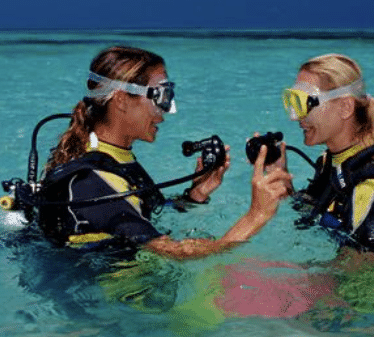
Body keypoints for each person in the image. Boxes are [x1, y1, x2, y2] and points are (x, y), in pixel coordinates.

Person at [36, 45, 292, 260]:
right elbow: (174, 253)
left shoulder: (114, 159)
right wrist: (256, 216)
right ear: (122, 100)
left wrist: (196, 194)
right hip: (114, 301)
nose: (167, 110)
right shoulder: (92, 182)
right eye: (161, 96)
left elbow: (136, 212)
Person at [275, 53, 374, 254]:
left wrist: (277, 270)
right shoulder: (331, 163)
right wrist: (280, 176)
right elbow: (311, 210)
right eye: (292, 101)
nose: (295, 117)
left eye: (304, 102)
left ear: (345, 107)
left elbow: (363, 268)